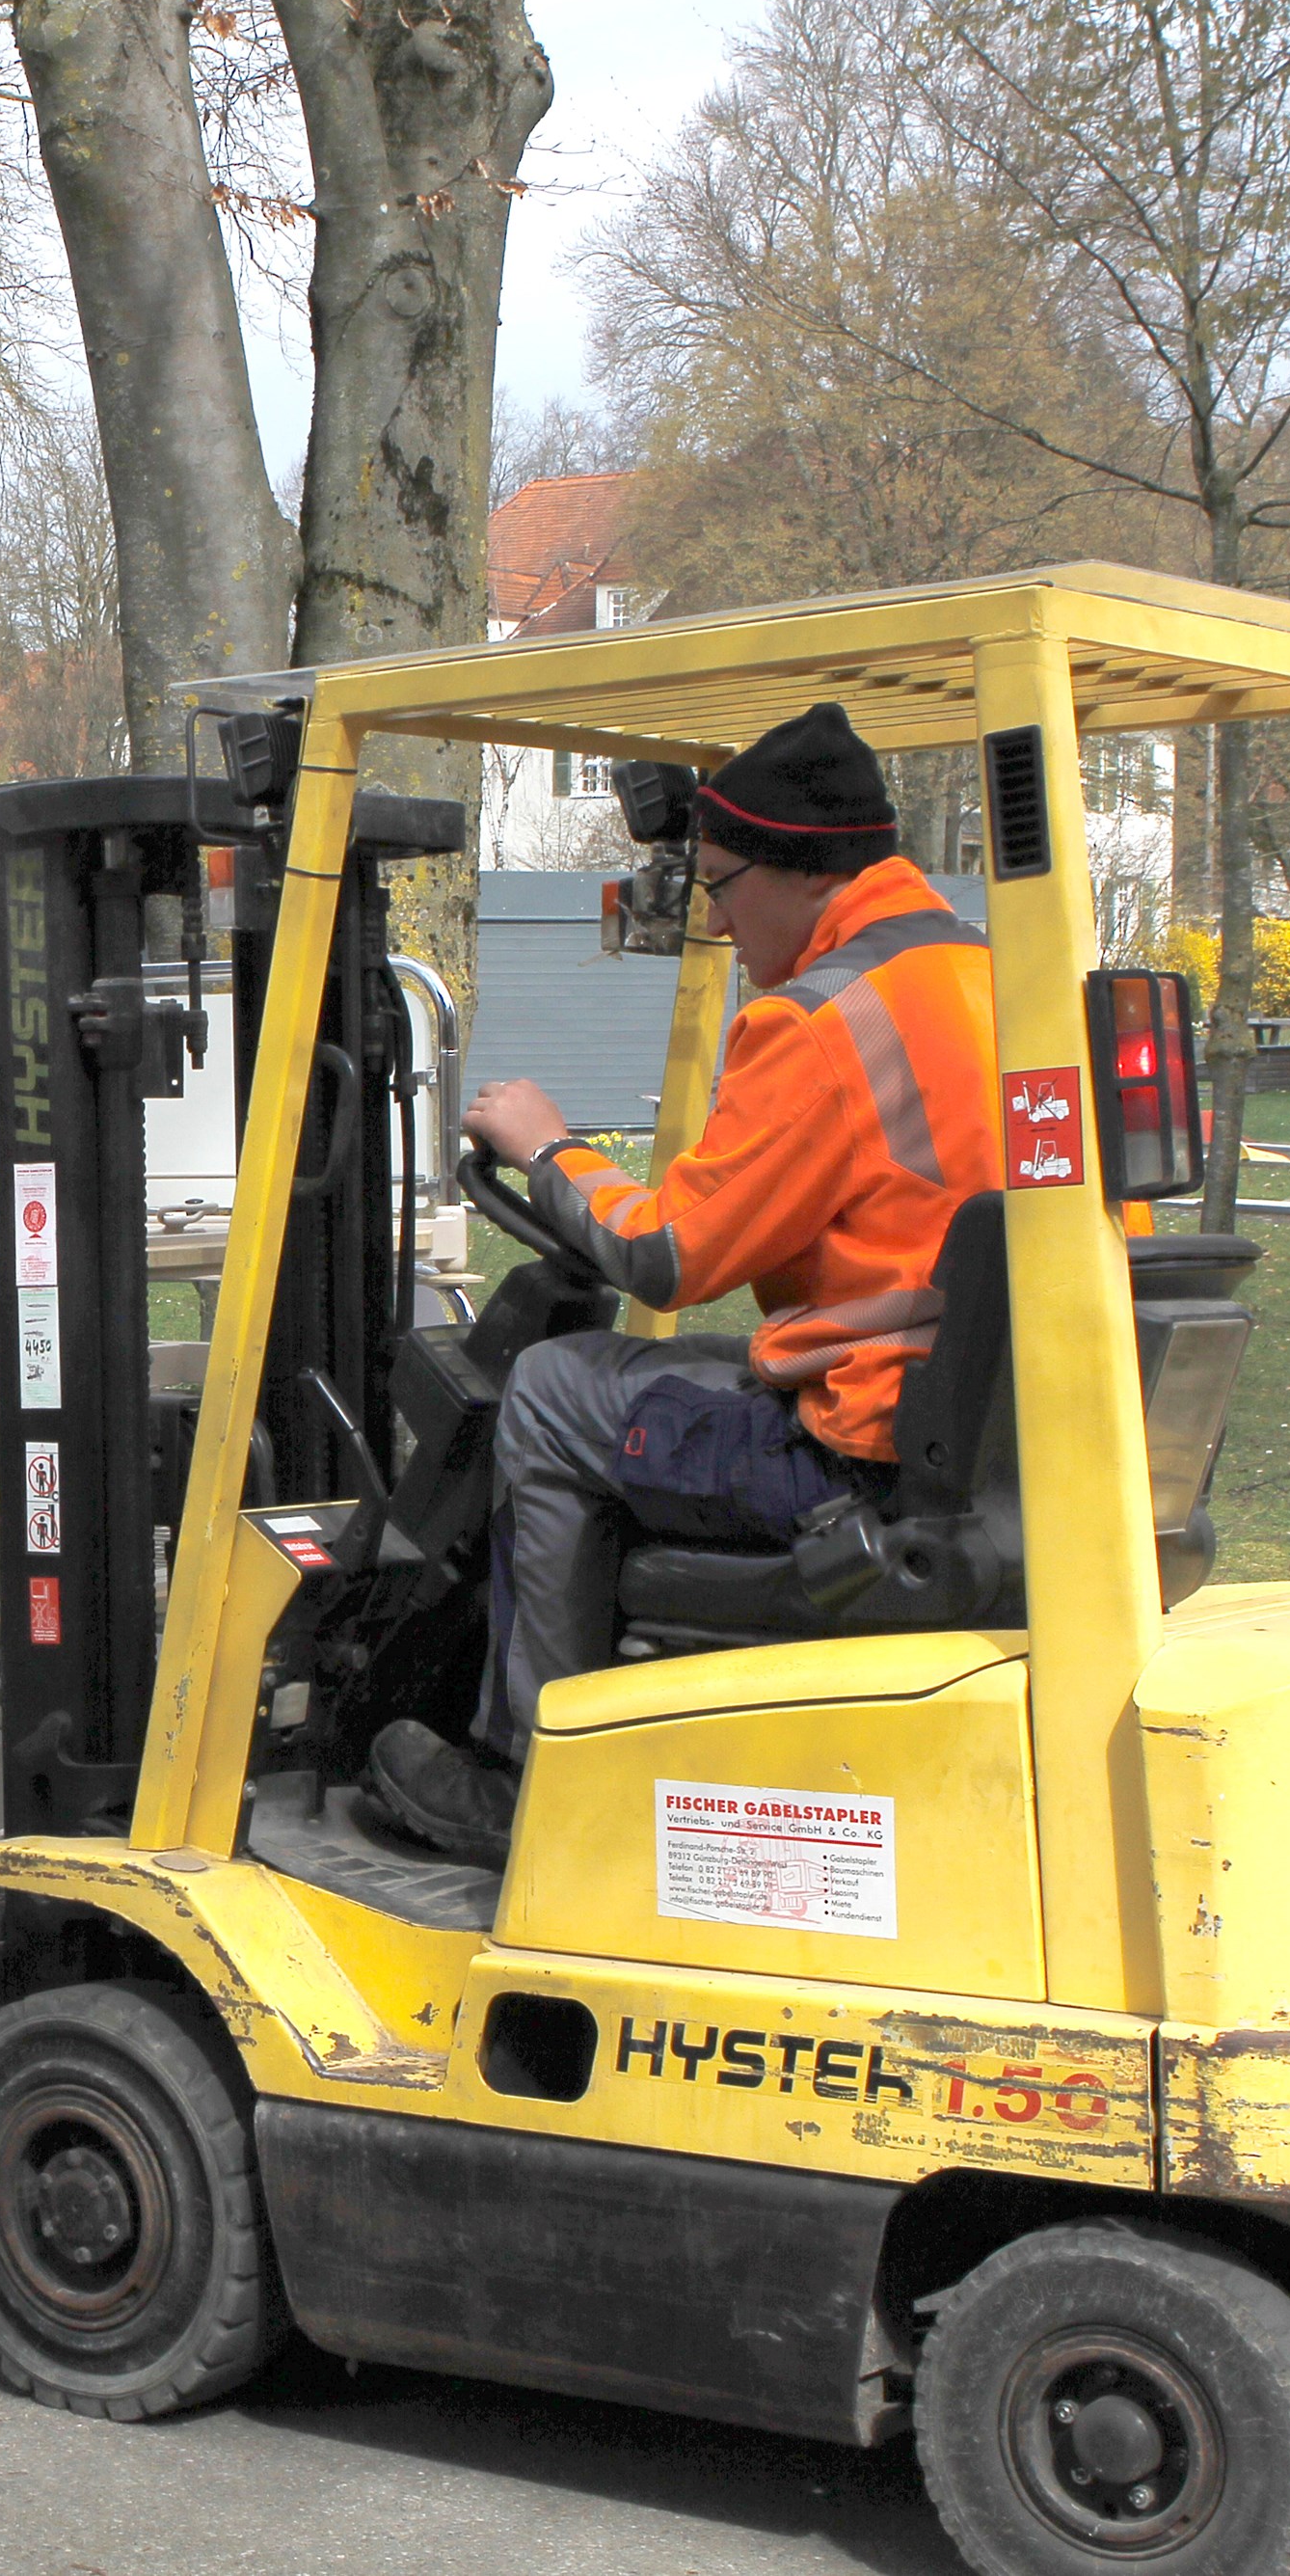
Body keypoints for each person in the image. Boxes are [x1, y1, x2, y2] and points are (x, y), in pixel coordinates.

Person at [368, 702, 1002, 1866]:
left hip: (854, 1454)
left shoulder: (821, 1020)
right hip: (976, 1426)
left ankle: (524, 1775)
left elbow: (672, 1257)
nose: (713, 913)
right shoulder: (989, 982)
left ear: (805, 871)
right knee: (667, 1372)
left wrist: (546, 1148)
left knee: (557, 1385)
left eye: (722, 881)